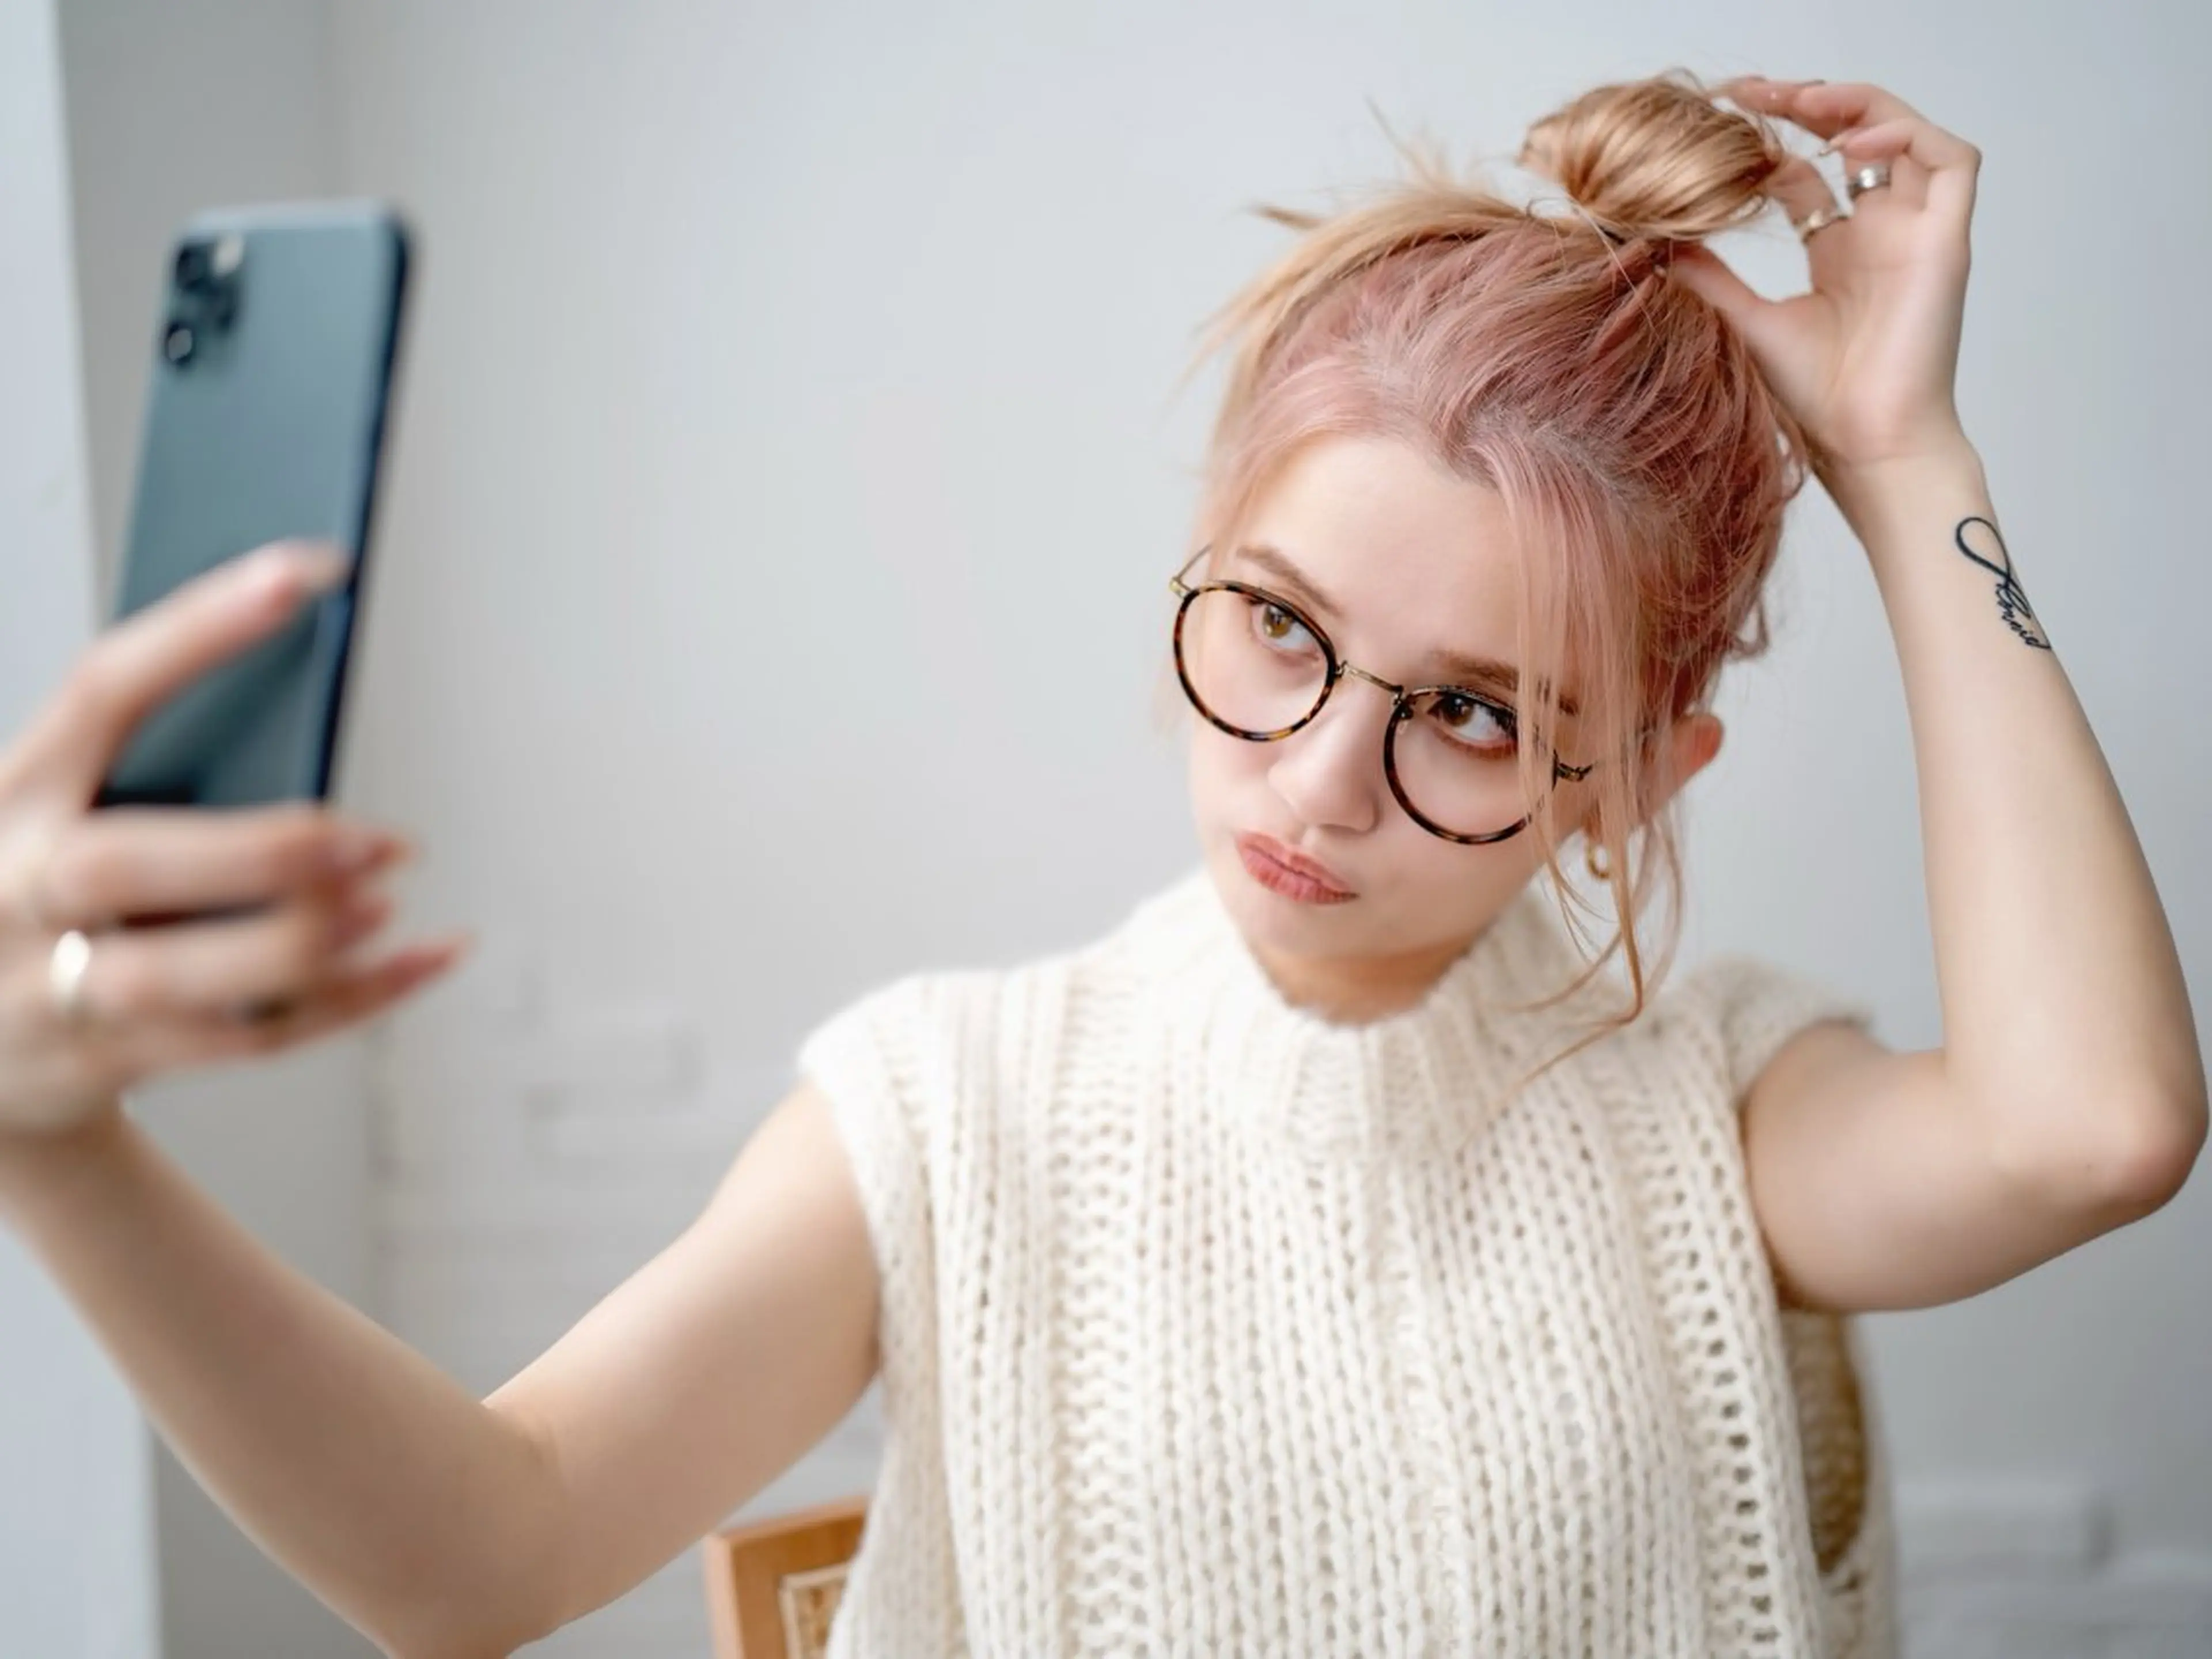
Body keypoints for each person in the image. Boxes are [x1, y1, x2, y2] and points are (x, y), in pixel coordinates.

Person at [0, 69, 2200, 1659]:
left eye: (1472, 713)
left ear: (1636, 776)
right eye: (1281, 629)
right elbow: (475, 1558)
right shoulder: (957, 1110)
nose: (1322, 785)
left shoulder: (1711, 1108)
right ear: (1199, 567)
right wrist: (58, 1146)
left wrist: (1904, 457)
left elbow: (2095, 1129)